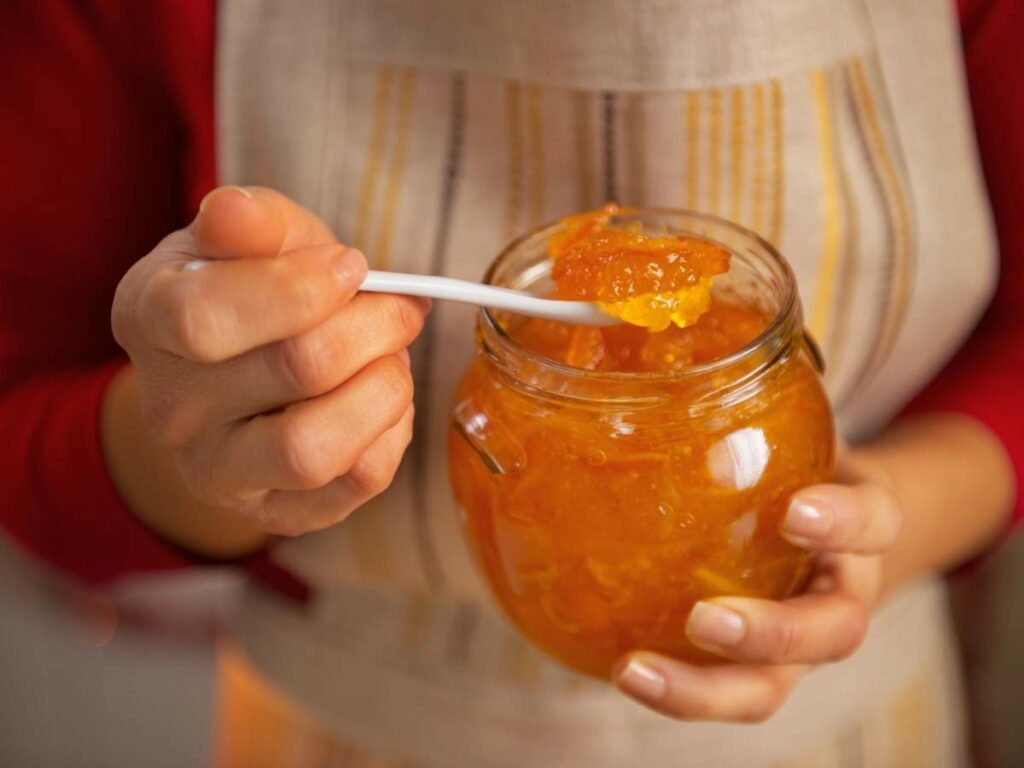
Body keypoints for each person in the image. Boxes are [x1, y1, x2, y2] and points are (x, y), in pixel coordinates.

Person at [2, 0, 1021, 765]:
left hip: (847, 727)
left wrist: (896, 513)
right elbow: (20, 423)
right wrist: (206, 452)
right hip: (354, 728)